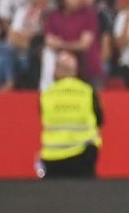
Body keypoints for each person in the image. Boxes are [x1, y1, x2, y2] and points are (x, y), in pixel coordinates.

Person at [39, 50, 102, 179]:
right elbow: (100, 119)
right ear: (75, 71)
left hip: (53, 156)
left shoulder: (47, 95)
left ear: (56, 71)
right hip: (83, 156)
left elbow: (43, 116)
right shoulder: (87, 91)